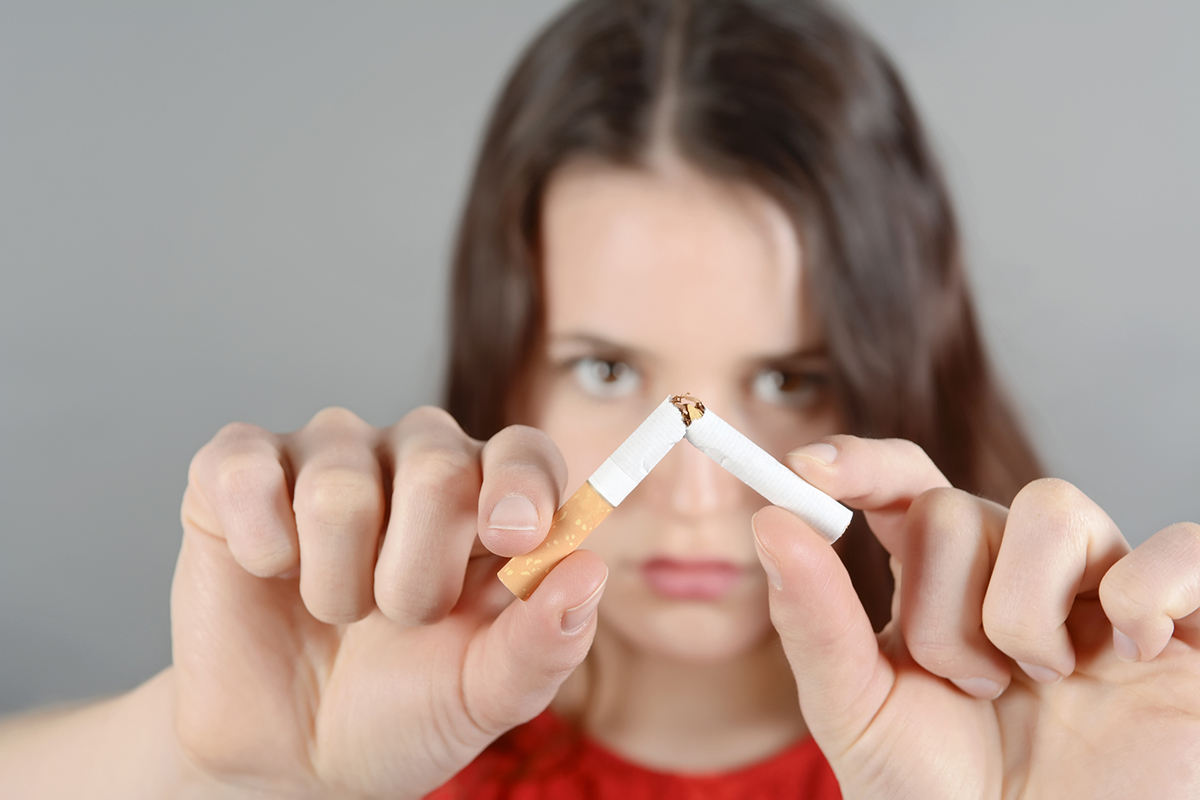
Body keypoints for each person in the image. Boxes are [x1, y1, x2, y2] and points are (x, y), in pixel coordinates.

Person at [2, 0, 1197, 796]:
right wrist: (204, 758)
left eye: (787, 380)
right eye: (606, 370)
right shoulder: (396, 723)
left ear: (904, 367)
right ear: (506, 364)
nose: (689, 496)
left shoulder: (1030, 734)